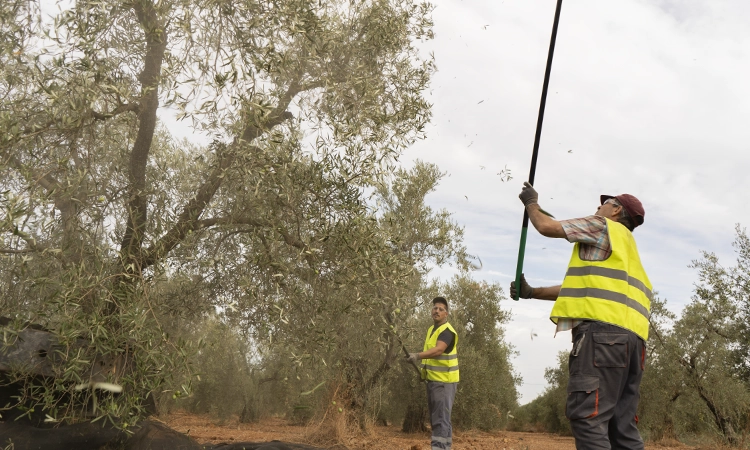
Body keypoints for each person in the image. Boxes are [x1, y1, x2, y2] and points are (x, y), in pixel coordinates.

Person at [511, 182, 652, 450]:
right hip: (634, 347)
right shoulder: (629, 254)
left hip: (603, 340)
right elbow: (578, 289)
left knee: (588, 419)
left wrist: (531, 202)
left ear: (615, 210)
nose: (598, 207)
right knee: (622, 428)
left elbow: (545, 226)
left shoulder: (601, 226)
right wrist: (532, 292)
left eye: (604, 203)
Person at [406, 296, 459, 450]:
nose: (437, 311)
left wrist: (417, 356)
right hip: (434, 381)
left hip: (444, 382)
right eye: (435, 308)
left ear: (446, 314)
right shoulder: (432, 329)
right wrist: (424, 373)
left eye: (441, 309)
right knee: (443, 419)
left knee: (440, 420)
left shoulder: (447, 331)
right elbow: (432, 360)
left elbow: (438, 350)